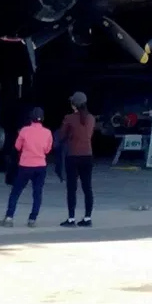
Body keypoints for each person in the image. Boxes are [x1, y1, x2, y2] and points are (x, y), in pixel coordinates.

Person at [0, 107, 53, 227]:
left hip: (25, 165)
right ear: (42, 119)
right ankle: (32, 219)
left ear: (31, 118)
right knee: (37, 193)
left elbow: (17, 147)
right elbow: (47, 150)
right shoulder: (48, 133)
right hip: (40, 166)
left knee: (16, 191)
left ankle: (9, 217)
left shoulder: (24, 131)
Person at [58, 91, 96, 227]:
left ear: (74, 104)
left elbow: (62, 135)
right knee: (87, 188)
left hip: (73, 156)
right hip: (88, 155)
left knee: (71, 188)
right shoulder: (91, 118)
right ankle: (87, 218)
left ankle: (71, 218)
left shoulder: (69, 118)